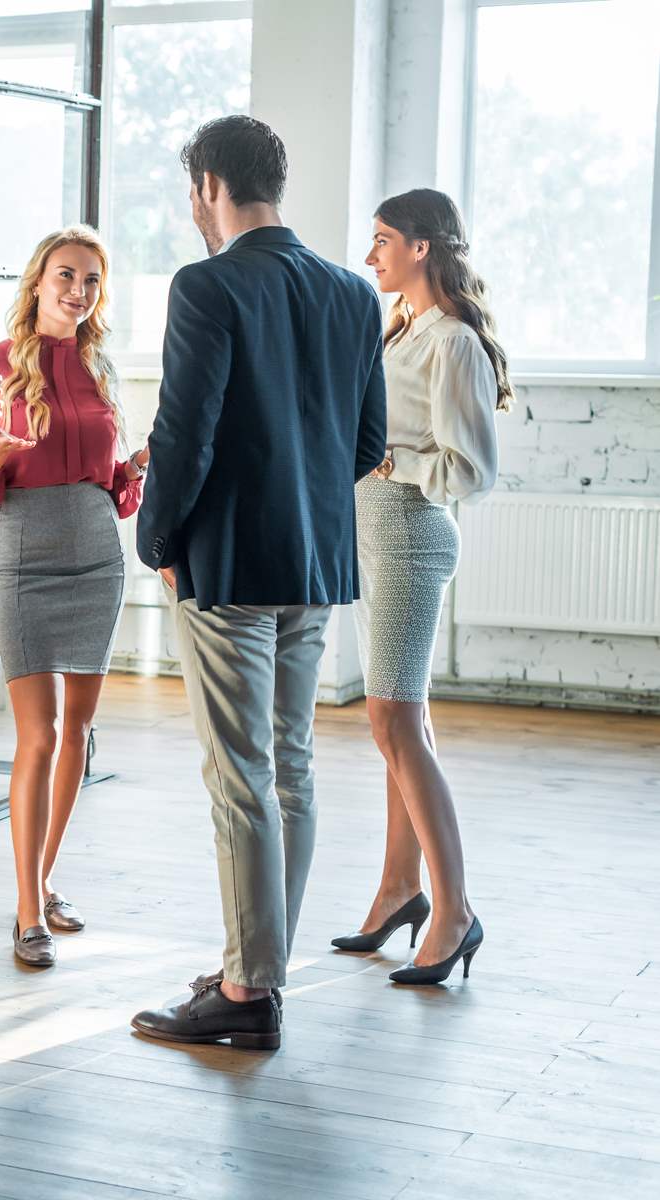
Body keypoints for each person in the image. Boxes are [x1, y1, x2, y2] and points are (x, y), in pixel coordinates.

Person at [129, 116, 387, 1050]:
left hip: (229, 565)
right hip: (314, 563)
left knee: (238, 777)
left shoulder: (206, 284)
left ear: (207, 185)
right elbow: (365, 445)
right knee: (290, 770)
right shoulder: (353, 292)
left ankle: (245, 993)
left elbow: (184, 434)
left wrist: (156, 540)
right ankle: (260, 968)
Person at [0, 227, 148, 967]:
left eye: (92, 280)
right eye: (66, 275)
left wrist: (136, 467)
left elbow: (117, 494)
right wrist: (2, 450)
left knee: (77, 733)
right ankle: (28, 909)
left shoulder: (103, 369)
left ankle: (45, 880)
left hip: (98, 557)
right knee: (36, 735)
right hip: (26, 560)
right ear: (37, 281)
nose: (78, 290)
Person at [332, 188, 507, 985]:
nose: (371, 256)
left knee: (393, 720)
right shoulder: (401, 325)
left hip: (410, 536)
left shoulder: (454, 343)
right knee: (403, 722)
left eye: (382, 241)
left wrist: (386, 462)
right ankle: (400, 889)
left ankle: (455, 909)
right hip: (378, 538)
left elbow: (471, 469)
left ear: (422, 248)